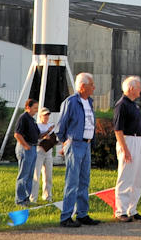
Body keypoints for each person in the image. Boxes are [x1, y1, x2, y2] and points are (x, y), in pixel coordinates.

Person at [55, 73, 101, 228]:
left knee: (84, 181)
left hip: (86, 144)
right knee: (72, 181)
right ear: (82, 86)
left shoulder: (90, 102)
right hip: (75, 143)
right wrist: (65, 141)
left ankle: (82, 214)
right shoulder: (71, 102)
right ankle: (66, 216)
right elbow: (61, 125)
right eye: (91, 85)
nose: (94, 87)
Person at [113, 76, 141, 222]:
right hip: (128, 140)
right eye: (139, 87)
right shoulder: (122, 105)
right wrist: (125, 149)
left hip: (138, 140)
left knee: (137, 178)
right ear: (131, 88)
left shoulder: (134, 105)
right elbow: (118, 129)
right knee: (126, 176)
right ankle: (121, 210)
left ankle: (132, 209)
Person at [14, 99, 41, 207]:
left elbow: (36, 135)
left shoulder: (32, 120)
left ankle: (26, 198)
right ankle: (20, 200)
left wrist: (46, 133)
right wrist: (25, 146)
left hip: (33, 148)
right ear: (28, 107)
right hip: (26, 149)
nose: (36, 110)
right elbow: (17, 134)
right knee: (23, 175)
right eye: (35, 108)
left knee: (30, 175)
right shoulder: (23, 118)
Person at [31, 107, 55, 203]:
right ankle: (33, 198)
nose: (46, 117)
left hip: (48, 152)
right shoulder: (37, 126)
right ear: (40, 115)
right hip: (39, 151)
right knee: (36, 175)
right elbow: (35, 139)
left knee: (48, 175)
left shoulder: (51, 125)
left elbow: (55, 139)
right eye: (45, 115)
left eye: (48, 115)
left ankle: (47, 196)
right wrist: (45, 135)